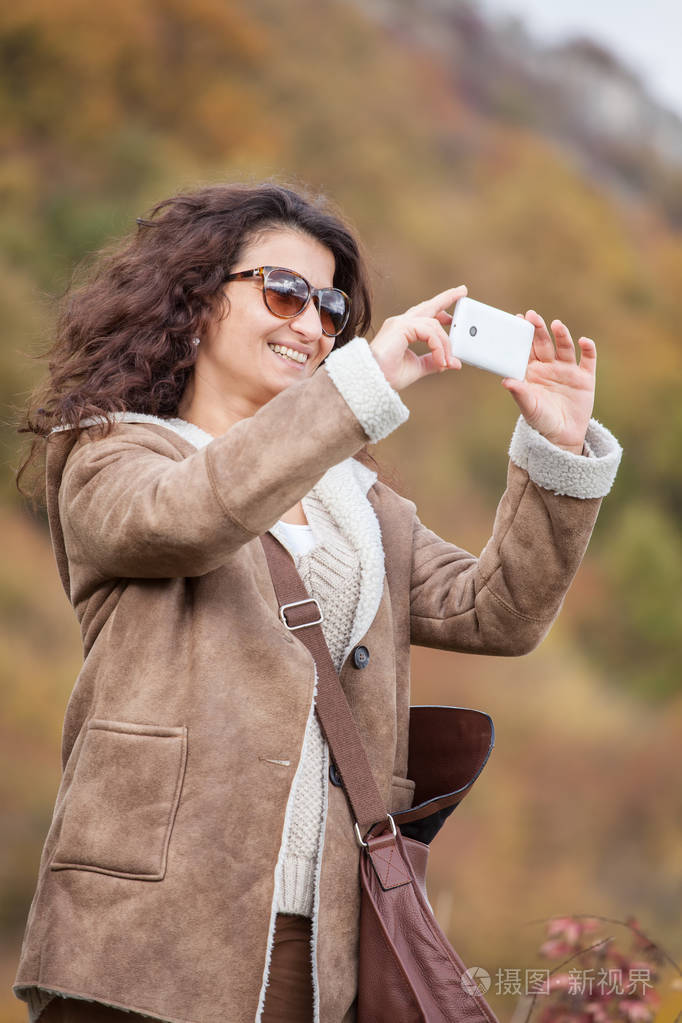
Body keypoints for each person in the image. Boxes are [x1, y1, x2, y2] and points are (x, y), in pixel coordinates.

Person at [13, 182, 622, 1023]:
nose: (310, 324)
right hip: (142, 936)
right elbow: (195, 517)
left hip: (319, 943)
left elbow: (499, 611)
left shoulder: (358, 505)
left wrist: (557, 451)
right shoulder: (111, 456)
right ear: (195, 300)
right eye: (282, 290)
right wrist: (365, 380)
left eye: (331, 306)